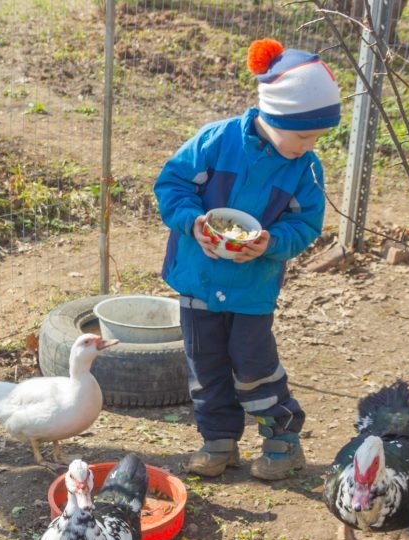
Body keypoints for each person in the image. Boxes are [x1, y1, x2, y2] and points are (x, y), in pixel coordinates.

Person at [153, 38, 342, 480]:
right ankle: (218, 442)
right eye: (302, 135)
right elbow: (172, 184)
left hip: (252, 289)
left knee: (253, 363)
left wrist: (272, 242)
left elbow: (307, 226)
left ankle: (282, 439)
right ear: (270, 116)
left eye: (316, 136)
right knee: (206, 366)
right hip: (198, 279)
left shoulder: (305, 169)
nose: (308, 145)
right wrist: (192, 222)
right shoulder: (215, 142)